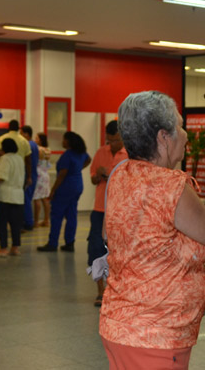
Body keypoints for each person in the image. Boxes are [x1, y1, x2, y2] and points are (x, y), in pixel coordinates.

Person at [99, 91, 205, 368]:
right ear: (163, 137)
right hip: (156, 336)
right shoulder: (172, 187)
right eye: (180, 126)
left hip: (119, 323)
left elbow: (108, 234)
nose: (185, 135)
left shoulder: (120, 174)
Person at [88, 120, 127, 307]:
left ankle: (119, 290)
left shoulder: (130, 154)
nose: (112, 144)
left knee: (120, 251)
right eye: (109, 140)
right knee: (96, 249)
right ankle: (100, 291)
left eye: (116, 140)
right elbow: (93, 179)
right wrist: (99, 174)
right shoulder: (100, 152)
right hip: (100, 209)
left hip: (121, 210)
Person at [37, 131, 90, 252]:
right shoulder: (81, 153)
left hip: (66, 186)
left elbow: (62, 175)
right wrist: (78, 169)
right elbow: (88, 160)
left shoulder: (67, 155)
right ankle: (70, 242)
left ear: (69, 141)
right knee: (71, 215)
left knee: (57, 214)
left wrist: (53, 190)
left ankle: (52, 243)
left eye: (64, 139)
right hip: (77, 185)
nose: (62, 141)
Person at [0, 138, 25, 257]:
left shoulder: (5, 159)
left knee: (2, 223)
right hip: (18, 195)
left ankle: (3, 248)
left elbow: (1, 177)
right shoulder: (19, 159)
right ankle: (15, 248)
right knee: (15, 224)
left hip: (6, 195)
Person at [0, 119, 32, 190]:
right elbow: (28, 161)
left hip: (4, 170)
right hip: (20, 171)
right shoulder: (24, 141)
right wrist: (29, 176)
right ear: (18, 128)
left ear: (8, 127)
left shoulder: (1, 138)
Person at [20, 125, 40, 230]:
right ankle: (28, 221)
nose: (20, 135)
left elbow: (27, 161)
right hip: (33, 174)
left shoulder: (28, 145)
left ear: (26, 134)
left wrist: (27, 176)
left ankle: (28, 222)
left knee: (26, 199)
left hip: (29, 174)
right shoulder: (34, 145)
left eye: (21, 133)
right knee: (28, 198)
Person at [33, 132, 51, 227]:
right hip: (45, 174)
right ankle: (46, 220)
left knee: (36, 198)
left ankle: (35, 221)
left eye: (36, 138)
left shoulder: (37, 149)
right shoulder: (48, 150)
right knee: (45, 198)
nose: (35, 140)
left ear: (40, 140)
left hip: (38, 174)